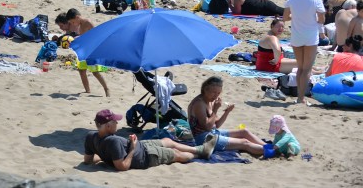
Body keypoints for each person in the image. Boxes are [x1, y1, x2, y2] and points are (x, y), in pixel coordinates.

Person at [82, 109, 215, 171]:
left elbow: (88, 160)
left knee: (167, 141)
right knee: (176, 154)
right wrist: (132, 148)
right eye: (115, 122)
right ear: (108, 125)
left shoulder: (90, 136)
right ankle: (199, 153)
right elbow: (122, 167)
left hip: (140, 145)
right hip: (145, 156)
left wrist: (106, 156)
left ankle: (200, 149)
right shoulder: (113, 141)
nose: (117, 124)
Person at [187, 76, 264, 156]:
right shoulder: (199, 103)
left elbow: (216, 124)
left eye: (218, 93)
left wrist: (227, 112)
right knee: (244, 142)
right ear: (205, 90)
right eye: (214, 92)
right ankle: (270, 151)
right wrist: (215, 109)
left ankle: (270, 147)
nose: (216, 96)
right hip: (203, 138)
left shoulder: (210, 101)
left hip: (212, 132)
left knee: (244, 132)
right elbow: (207, 126)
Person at [283, 0, 326, 104]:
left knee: (300, 68)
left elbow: (285, 18)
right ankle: (301, 98)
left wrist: (296, 17)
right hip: (311, 36)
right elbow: (322, 19)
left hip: (297, 35)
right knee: (307, 69)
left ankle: (299, 97)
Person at [64, 9, 110, 96]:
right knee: (81, 70)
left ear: (77, 17)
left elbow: (97, 34)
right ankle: (87, 90)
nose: (73, 24)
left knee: (95, 72)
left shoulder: (87, 22)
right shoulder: (80, 25)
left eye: (73, 22)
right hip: (84, 51)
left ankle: (106, 88)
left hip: (92, 50)